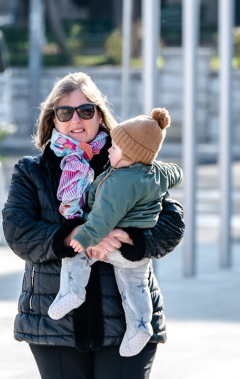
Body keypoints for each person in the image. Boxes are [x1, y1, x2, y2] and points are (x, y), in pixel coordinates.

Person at [2, 72, 184, 379]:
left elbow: (171, 222)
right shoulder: (32, 171)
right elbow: (19, 230)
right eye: (66, 112)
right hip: (55, 324)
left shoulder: (131, 158)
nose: (77, 120)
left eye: (87, 110)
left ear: (102, 115)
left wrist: (129, 241)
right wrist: (77, 238)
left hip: (127, 320)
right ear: (52, 119)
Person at [49, 108, 182, 358]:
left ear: (130, 155)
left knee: (76, 255)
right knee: (136, 288)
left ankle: (72, 291)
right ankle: (140, 326)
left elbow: (103, 217)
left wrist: (85, 237)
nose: (110, 149)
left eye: (115, 148)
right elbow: (177, 173)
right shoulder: (157, 172)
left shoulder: (116, 183)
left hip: (112, 244)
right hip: (135, 250)